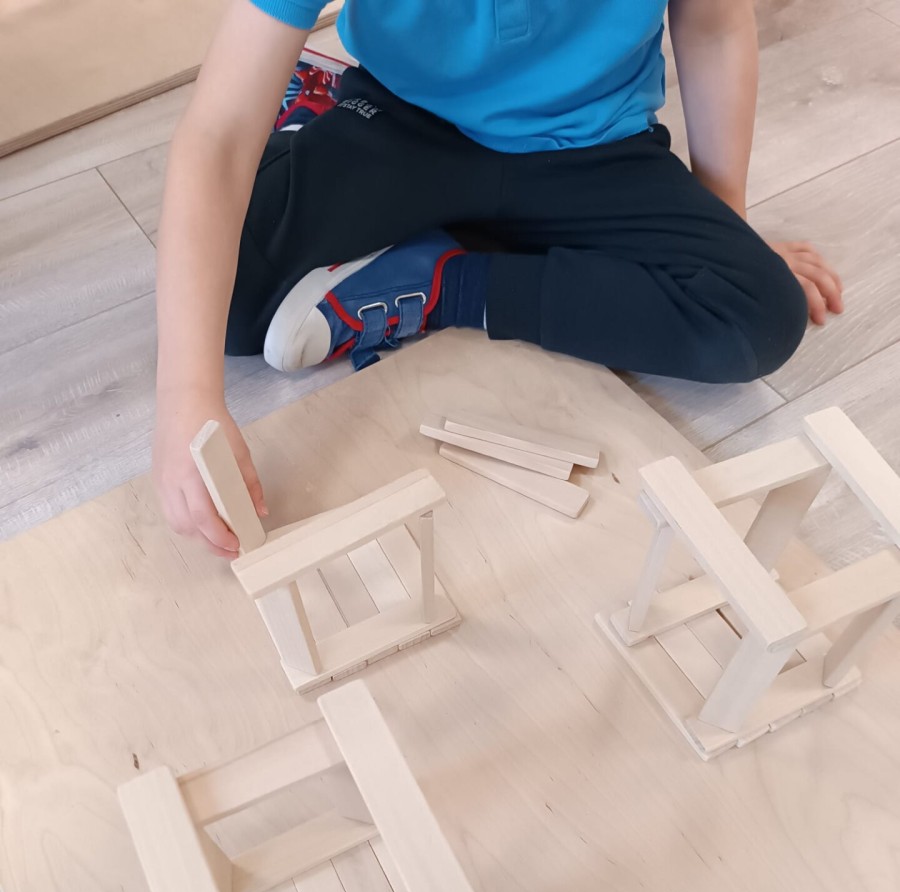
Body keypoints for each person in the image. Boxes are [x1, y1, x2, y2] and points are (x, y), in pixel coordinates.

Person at [153, 0, 843, 557]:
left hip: (593, 147)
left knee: (756, 316)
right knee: (229, 303)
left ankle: (443, 281)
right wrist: (186, 397)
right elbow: (218, 136)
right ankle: (313, 107)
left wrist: (723, 226)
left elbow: (714, 26)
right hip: (401, 120)